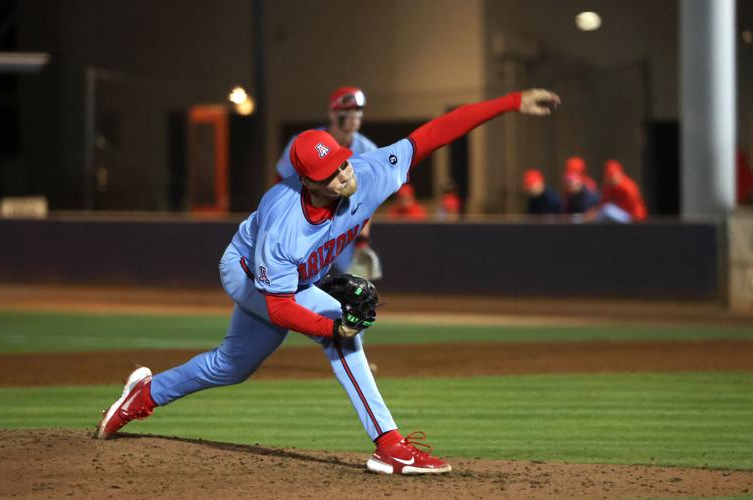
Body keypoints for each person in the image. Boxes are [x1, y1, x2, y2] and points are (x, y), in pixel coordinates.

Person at [95, 88, 561, 475]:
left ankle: (145, 394)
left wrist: (512, 102)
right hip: (245, 273)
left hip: (292, 277)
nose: (344, 174)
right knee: (340, 328)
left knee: (230, 367)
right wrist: (331, 329)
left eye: (342, 163)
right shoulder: (284, 224)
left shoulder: (368, 173)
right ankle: (390, 446)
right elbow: (279, 306)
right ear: (308, 183)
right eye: (330, 174)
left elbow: (434, 134)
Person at [275, 86, 380, 278]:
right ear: (333, 114)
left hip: (341, 222)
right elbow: (281, 184)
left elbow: (367, 200)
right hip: (302, 219)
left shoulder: (368, 149)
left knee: (356, 287)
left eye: (357, 110)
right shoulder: (303, 142)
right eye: (346, 110)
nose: (354, 115)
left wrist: (362, 241)